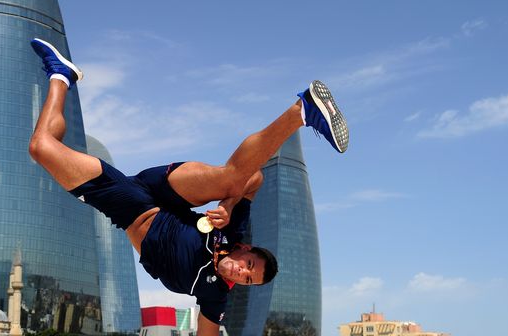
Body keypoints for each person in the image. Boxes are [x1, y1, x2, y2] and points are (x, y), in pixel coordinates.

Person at [27, 38, 348, 336]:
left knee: (42, 147)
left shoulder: (215, 296)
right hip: (165, 191)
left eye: (248, 279)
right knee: (232, 179)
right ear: (245, 251)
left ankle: (61, 76)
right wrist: (230, 205)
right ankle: (302, 110)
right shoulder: (233, 232)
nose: (241, 273)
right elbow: (256, 180)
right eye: (248, 265)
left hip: (134, 208)